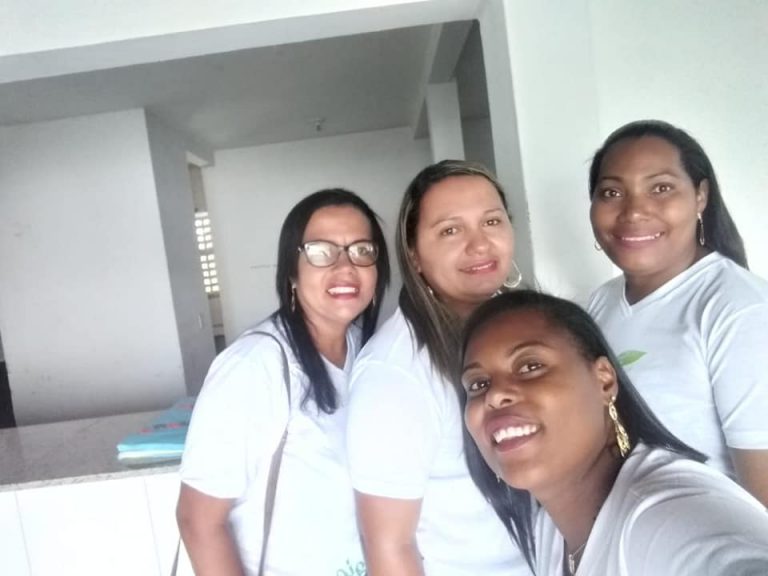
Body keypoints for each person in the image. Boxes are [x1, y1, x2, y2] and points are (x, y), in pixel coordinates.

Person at [462, 290, 768, 576]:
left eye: (530, 366)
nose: (494, 395)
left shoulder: (663, 516)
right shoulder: (550, 529)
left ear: (604, 381)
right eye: (478, 384)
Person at [177, 189, 390, 575]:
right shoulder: (253, 366)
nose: (345, 267)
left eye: (362, 250)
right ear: (292, 272)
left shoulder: (368, 351)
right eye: (321, 252)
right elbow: (198, 520)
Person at [347, 160, 531, 576]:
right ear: (414, 255)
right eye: (450, 230)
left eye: (492, 221)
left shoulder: (525, 325)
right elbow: (389, 546)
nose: (480, 244)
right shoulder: (394, 374)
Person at [586, 119, 768, 506]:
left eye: (661, 188)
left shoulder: (740, 311)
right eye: (612, 192)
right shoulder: (599, 303)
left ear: (700, 196)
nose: (634, 211)